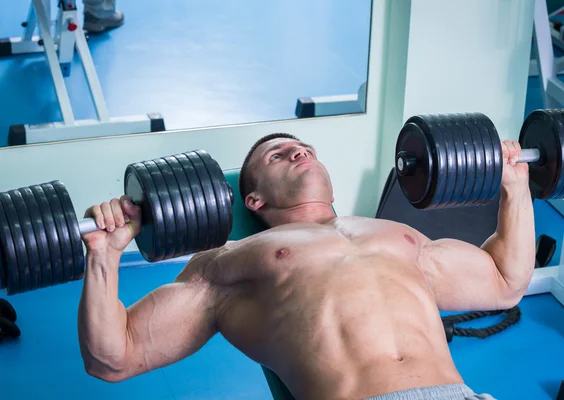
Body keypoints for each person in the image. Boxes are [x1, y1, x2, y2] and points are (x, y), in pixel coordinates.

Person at [77, 133, 535, 400]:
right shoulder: (227, 262)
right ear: (252, 199)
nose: (299, 152)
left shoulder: (396, 234)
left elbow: (505, 281)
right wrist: (104, 254)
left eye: (304, 149)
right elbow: (115, 357)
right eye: (278, 156)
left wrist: (515, 187)